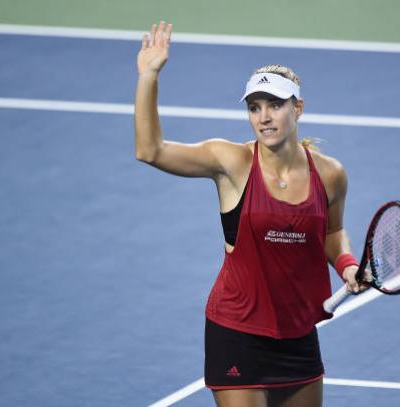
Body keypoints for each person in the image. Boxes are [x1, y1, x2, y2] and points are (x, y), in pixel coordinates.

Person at [135, 21, 364, 407]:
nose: (264, 117)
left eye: (275, 105)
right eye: (255, 107)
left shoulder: (330, 174)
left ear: (298, 108)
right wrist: (148, 77)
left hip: (297, 332)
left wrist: (347, 265)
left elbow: (332, 232)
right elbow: (150, 150)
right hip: (237, 329)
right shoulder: (231, 161)